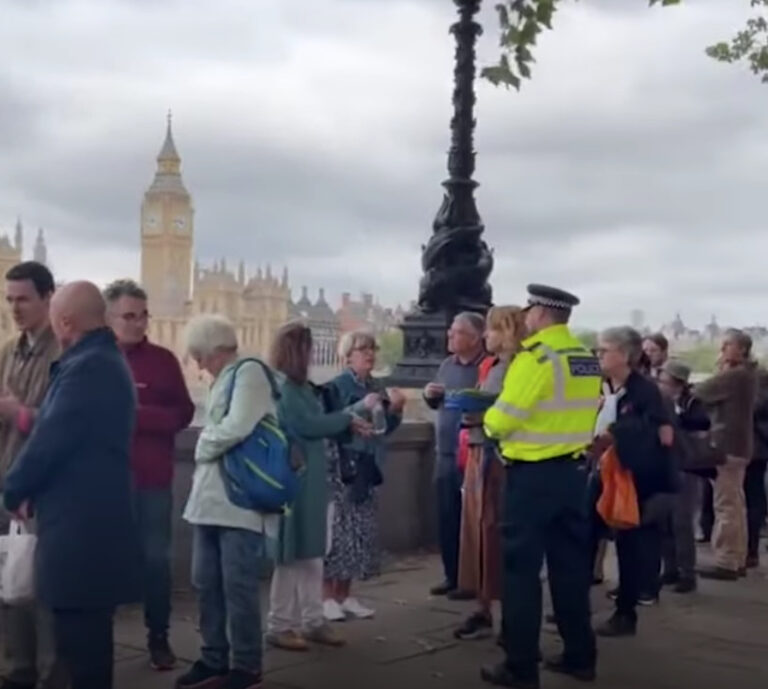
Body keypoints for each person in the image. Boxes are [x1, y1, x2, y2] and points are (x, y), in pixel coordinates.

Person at [3, 281, 141, 689]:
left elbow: (49, 439)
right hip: (90, 528)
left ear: (64, 321)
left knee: (80, 653)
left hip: (81, 533)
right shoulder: (102, 361)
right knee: (86, 645)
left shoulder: (88, 368)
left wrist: (13, 490)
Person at [481, 285, 601, 688]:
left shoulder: (536, 358)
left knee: (520, 574)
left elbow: (503, 419)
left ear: (542, 314)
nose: (526, 315)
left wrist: (486, 422)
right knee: (570, 569)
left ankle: (519, 666)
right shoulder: (585, 358)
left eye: (530, 308)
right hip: (573, 476)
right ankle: (580, 655)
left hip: (532, 478)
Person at [176, 314, 276, 689]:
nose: (198, 364)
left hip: (239, 503)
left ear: (216, 349)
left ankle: (247, 666)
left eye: (200, 355)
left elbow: (238, 426)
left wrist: (203, 443)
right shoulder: (222, 379)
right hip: (209, 502)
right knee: (206, 582)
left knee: (238, 586)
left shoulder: (249, 373)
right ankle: (214, 658)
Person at [104, 279, 194, 671]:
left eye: (143, 316)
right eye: (129, 316)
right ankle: (99, 641)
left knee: (156, 562)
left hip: (152, 480)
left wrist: (135, 415)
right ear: (108, 318)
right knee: (102, 564)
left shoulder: (163, 360)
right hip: (103, 485)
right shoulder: (92, 360)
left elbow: (184, 414)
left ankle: (158, 637)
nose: (139, 324)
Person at [266, 323, 371, 652]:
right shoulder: (285, 388)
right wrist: (349, 416)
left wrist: (347, 419)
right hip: (295, 481)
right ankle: (280, 623)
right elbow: (307, 425)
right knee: (291, 556)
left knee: (312, 555)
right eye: (309, 349)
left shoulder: (300, 387)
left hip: (312, 480)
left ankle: (312, 620)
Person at [0, 262, 62, 689]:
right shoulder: (8, 350)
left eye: (23, 299)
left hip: (43, 488)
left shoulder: (63, 354)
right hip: (9, 481)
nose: (15, 308)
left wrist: (16, 411)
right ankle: (18, 671)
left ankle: (48, 676)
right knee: (12, 587)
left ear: (47, 297)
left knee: (43, 592)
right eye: (9, 300)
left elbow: (63, 425)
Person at [595, 327, 677, 638]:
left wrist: (615, 433)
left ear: (626, 355)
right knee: (583, 536)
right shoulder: (600, 385)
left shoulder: (644, 390)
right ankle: (573, 606)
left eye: (605, 350)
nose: (599, 355)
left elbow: (658, 433)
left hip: (631, 478)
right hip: (599, 471)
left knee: (629, 542)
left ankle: (625, 612)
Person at [322, 330, 405, 622]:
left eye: (372, 349)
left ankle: (346, 594)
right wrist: (360, 407)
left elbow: (384, 429)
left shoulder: (377, 385)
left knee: (359, 534)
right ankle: (326, 597)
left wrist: (396, 411)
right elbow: (328, 426)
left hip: (368, 466)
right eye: (362, 350)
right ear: (347, 357)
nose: (369, 354)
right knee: (338, 534)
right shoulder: (335, 387)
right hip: (342, 468)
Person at [454, 306, 524, 641]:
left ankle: (497, 610)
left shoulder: (515, 367)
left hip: (495, 457)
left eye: (493, 330)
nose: (487, 336)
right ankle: (484, 603)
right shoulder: (494, 365)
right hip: (479, 449)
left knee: (491, 529)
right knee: (478, 531)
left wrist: (479, 412)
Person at [424, 311, 486, 599]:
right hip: (445, 452)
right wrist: (429, 395)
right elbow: (439, 403)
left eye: (457, 332)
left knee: (473, 520)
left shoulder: (486, 367)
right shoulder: (447, 364)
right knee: (447, 517)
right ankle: (452, 575)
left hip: (473, 452)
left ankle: (473, 580)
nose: (450, 336)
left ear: (475, 338)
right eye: (450, 331)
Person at [695, 329, 757, 581]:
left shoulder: (735, 376)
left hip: (727, 446)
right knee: (736, 504)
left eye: (727, 344)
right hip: (740, 446)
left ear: (741, 349)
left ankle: (727, 561)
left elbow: (701, 392)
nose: (722, 348)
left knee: (726, 505)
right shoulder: (749, 375)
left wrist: (719, 367)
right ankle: (737, 557)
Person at [658, 360, 711, 594]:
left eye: (665, 381)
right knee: (666, 521)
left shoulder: (691, 403)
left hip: (687, 467)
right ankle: (670, 569)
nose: (661, 385)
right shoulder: (662, 402)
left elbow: (701, 422)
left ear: (677, 383)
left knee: (681, 522)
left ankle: (687, 573)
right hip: (668, 465)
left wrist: (676, 416)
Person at [746, 364, 768, 568]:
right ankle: (749, 549)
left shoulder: (758, 379)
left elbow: (754, 408)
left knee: (752, 498)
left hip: (756, 449)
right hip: (756, 448)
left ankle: (751, 549)